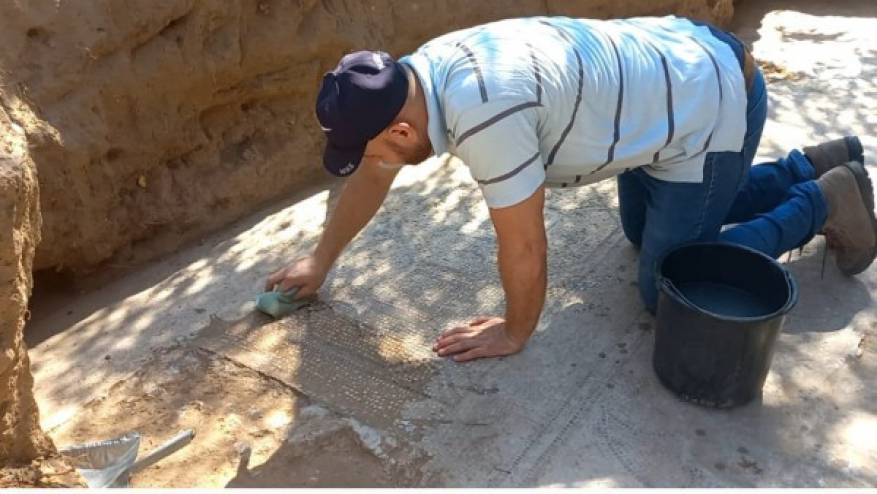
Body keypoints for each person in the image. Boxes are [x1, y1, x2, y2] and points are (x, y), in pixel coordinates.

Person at [265, 15, 876, 362]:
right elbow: (374, 174)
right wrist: (321, 260)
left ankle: (824, 200)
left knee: (667, 288)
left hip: (711, 100)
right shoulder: (415, 77)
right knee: (640, 233)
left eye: (371, 149)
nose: (373, 163)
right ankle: (808, 166)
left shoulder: (485, 113)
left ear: (400, 130)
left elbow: (526, 246)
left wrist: (515, 330)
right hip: (667, 80)